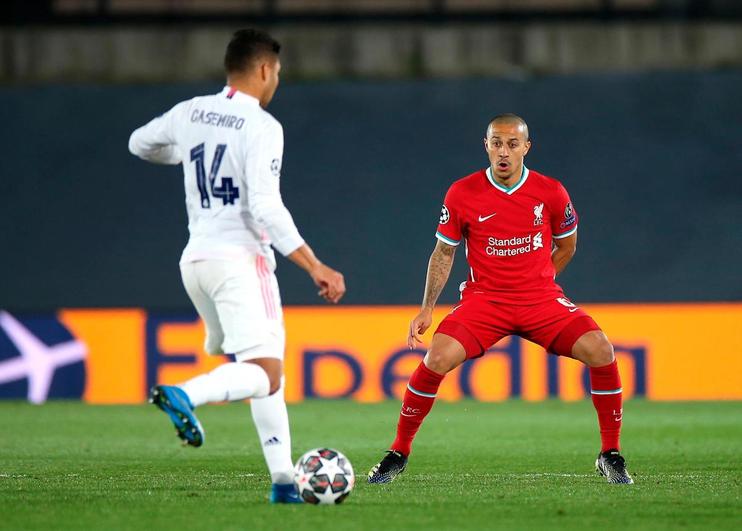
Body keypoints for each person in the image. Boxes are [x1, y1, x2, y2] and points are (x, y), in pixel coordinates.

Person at [128, 28, 346, 503]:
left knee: (263, 368)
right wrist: (315, 266)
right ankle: (188, 393)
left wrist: (190, 155)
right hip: (241, 263)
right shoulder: (262, 126)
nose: (277, 81)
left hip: (195, 262)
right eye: (278, 73)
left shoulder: (190, 112)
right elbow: (267, 207)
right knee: (265, 372)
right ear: (265, 69)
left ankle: (285, 483)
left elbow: (138, 144)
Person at [367, 114, 633, 485]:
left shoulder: (551, 191)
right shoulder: (462, 193)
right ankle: (398, 452)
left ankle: (611, 453)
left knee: (601, 350)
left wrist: (539, 279)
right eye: (496, 143)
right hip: (485, 302)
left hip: (540, 300)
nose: (503, 152)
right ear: (486, 146)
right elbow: (444, 254)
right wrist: (426, 308)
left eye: (512, 144)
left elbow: (567, 244)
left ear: (527, 147)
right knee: (437, 357)